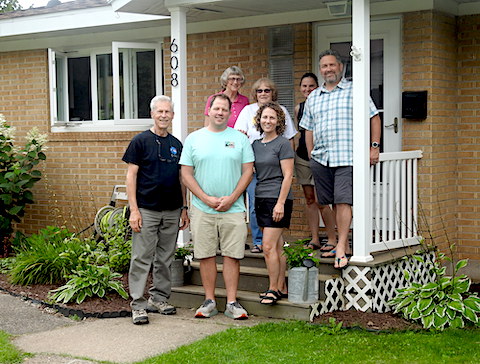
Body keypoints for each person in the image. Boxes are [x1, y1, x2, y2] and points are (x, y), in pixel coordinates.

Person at [300, 49, 381, 269]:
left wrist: (374, 146)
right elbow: (308, 128)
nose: (328, 69)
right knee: (324, 201)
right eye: (324, 66)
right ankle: (333, 239)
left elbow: (374, 117)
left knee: (343, 200)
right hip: (321, 158)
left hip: (347, 156)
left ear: (341, 67)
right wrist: (311, 153)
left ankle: (342, 247)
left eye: (332, 65)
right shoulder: (314, 97)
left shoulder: (355, 91)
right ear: (321, 70)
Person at [180, 93, 254, 320]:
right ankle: (209, 300)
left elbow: (248, 171)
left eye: (225, 109)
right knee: (206, 255)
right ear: (208, 110)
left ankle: (232, 302)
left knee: (233, 255)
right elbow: (186, 173)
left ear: (230, 113)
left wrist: (232, 198)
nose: (220, 112)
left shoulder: (240, 139)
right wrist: (204, 198)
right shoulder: (194, 138)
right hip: (203, 209)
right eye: (217, 108)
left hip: (233, 208)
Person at [122, 95, 190, 325]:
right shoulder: (140, 141)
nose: (163, 115)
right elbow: (131, 176)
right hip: (147, 210)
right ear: (152, 114)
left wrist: (184, 208)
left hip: (172, 210)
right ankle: (138, 306)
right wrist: (134, 210)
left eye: (167, 112)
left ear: (172, 115)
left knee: (165, 258)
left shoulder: (176, 144)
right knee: (141, 258)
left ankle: (159, 298)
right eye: (159, 111)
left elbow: (182, 179)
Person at [235, 78, 297, 253]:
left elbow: (290, 140)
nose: (263, 93)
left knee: (273, 240)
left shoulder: (281, 113)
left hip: (275, 171)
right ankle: (258, 240)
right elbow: (240, 137)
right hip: (255, 168)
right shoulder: (248, 111)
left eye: (267, 90)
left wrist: (286, 162)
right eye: (259, 91)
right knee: (255, 207)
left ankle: (267, 243)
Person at [252, 102, 294, 305]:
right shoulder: (255, 145)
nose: (267, 121)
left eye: (272, 118)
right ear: (259, 120)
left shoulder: (283, 143)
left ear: (279, 121)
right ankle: (282, 286)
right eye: (264, 117)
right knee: (277, 246)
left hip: (277, 198)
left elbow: (288, 176)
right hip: (260, 196)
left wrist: (281, 203)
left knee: (267, 247)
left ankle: (273, 288)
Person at [294, 73, 337, 255]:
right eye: (304, 86)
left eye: (311, 86)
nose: (307, 89)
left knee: (322, 200)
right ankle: (314, 238)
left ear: (317, 87)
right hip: (302, 157)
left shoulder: (323, 104)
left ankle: (333, 237)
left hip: (321, 157)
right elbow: (301, 132)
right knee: (310, 199)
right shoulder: (299, 108)